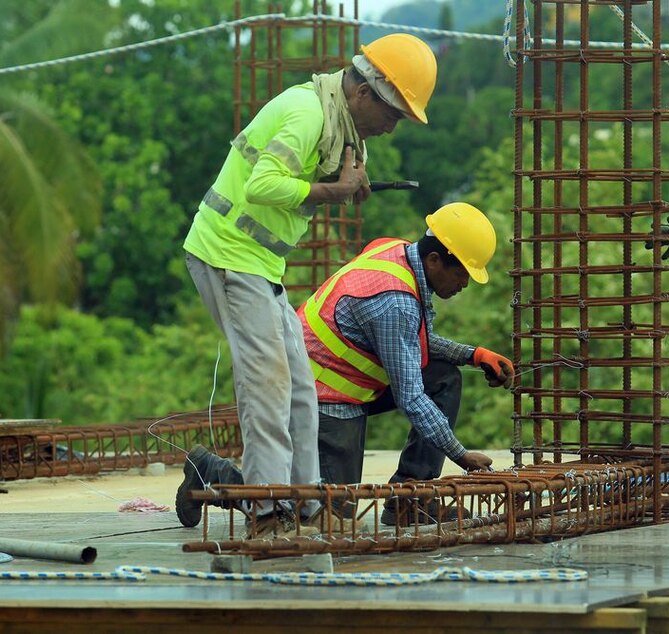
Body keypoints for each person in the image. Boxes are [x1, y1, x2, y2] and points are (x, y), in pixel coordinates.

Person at [176, 34, 439, 538]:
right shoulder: (308, 113)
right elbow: (262, 185)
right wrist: (330, 191)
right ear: (364, 94)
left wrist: (346, 186)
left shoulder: (341, 125)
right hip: (228, 257)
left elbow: (319, 178)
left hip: (260, 264)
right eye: (393, 113)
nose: (392, 127)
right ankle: (269, 513)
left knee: (300, 388)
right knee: (267, 389)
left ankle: (306, 504)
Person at [298, 202, 514, 525]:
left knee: (444, 377)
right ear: (435, 260)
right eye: (462, 274)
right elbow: (410, 397)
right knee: (332, 517)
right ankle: (213, 474)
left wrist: (474, 355)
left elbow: (413, 341)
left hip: (346, 383)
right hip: (320, 396)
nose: (465, 284)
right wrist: (461, 455)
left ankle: (410, 500)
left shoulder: (400, 253)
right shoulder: (395, 303)